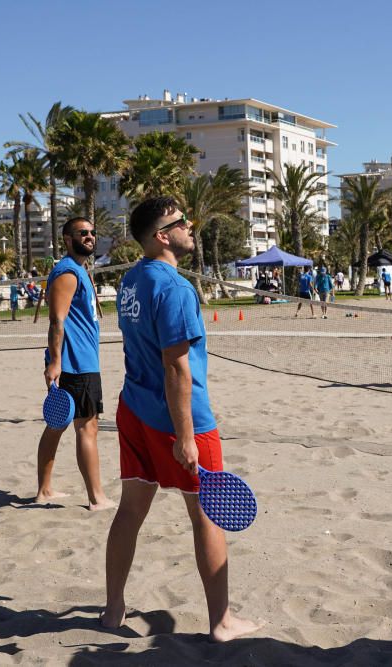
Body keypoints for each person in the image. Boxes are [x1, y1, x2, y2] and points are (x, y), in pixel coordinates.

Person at [102, 196, 258, 642]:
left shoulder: (132, 279)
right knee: (206, 516)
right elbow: (176, 367)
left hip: (133, 408)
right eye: (181, 221)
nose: (192, 225)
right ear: (162, 236)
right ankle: (222, 623)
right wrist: (186, 436)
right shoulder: (174, 288)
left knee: (130, 510)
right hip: (177, 417)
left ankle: (113, 611)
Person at [36, 217, 114, 509]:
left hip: (80, 361)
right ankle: (97, 497)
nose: (90, 237)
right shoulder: (67, 271)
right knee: (87, 428)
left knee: (57, 425)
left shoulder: (78, 270)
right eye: (83, 233)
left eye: (93, 232)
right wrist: (55, 361)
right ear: (68, 238)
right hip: (76, 364)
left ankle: (44, 491)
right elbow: (57, 319)